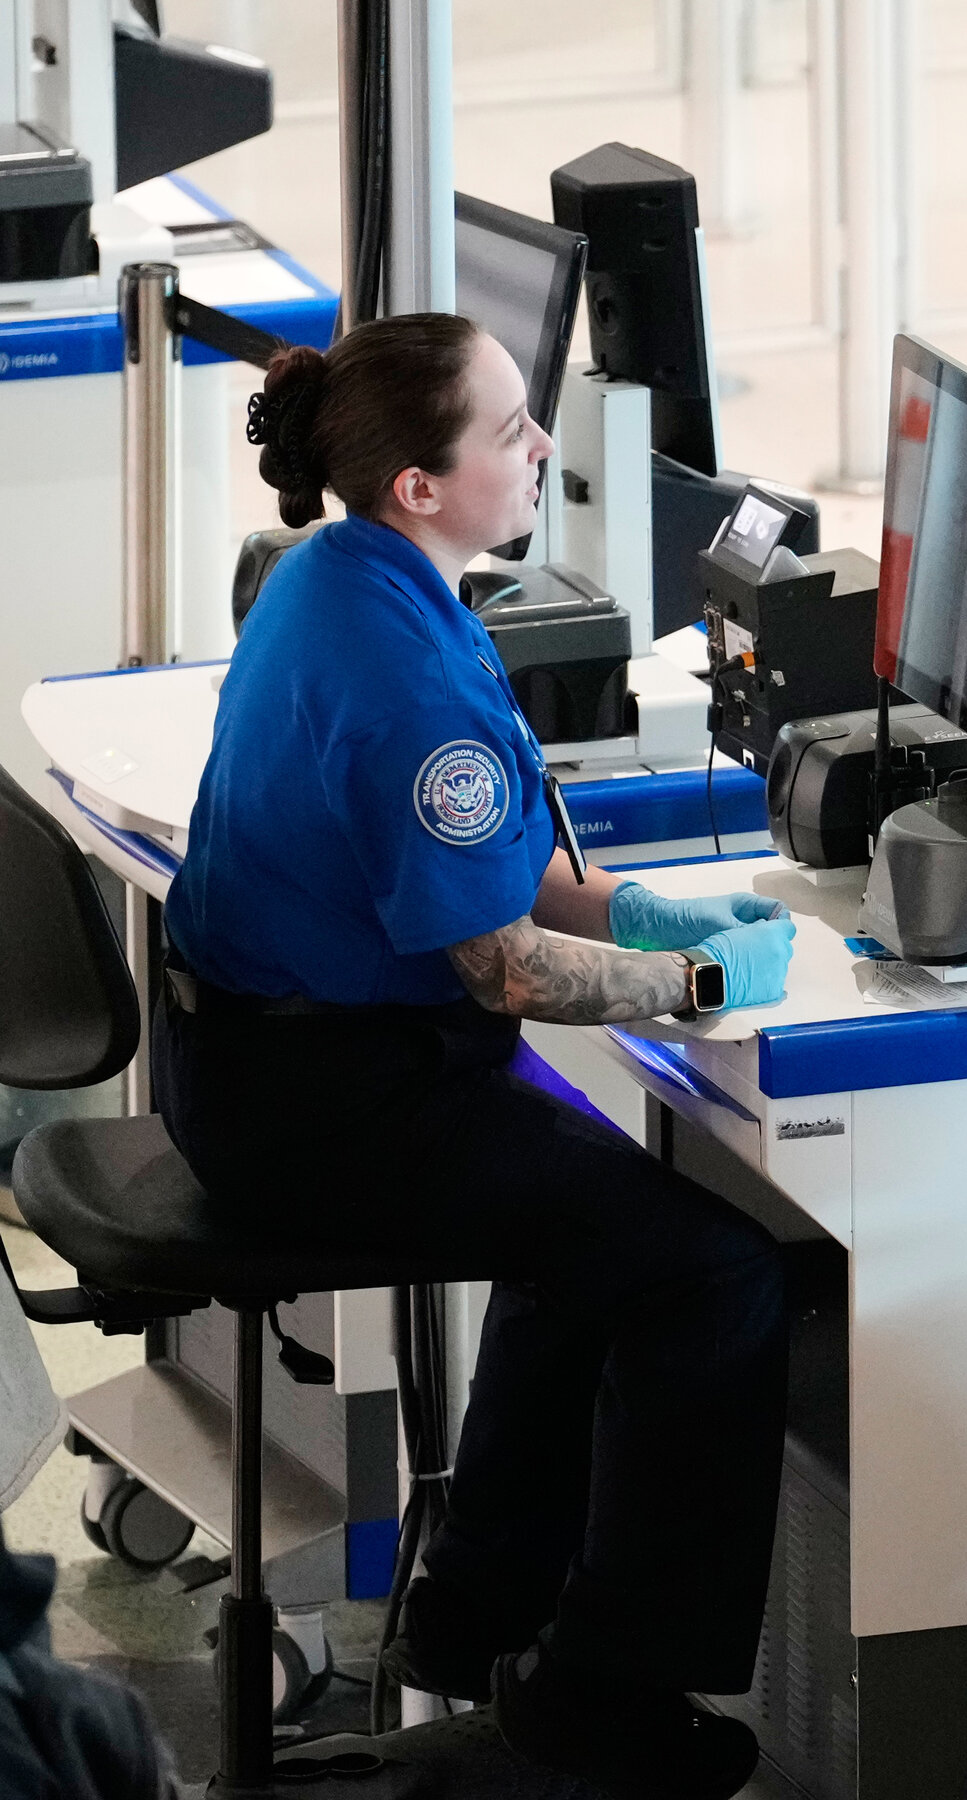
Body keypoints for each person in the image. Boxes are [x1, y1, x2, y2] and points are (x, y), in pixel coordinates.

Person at [153, 313, 796, 1799]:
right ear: (419, 487)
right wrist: (686, 973)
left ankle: (476, 1621)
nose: (543, 449)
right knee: (710, 1277)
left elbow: (492, 889)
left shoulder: (350, 583)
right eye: (511, 430)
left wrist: (632, 909)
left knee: (594, 1231)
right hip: (323, 1106)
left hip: (269, 1060)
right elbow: (502, 968)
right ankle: (598, 1700)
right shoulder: (409, 684)